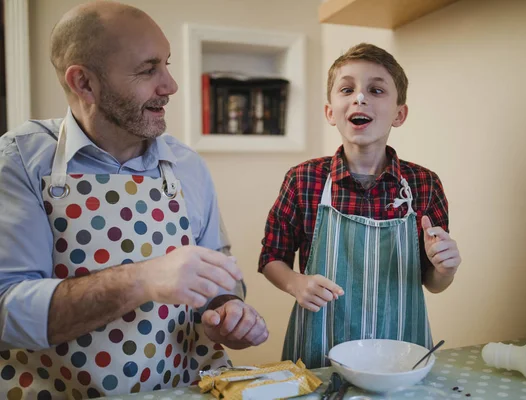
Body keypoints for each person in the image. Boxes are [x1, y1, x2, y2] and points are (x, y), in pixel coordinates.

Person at [0, 1, 268, 397]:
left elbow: (221, 281)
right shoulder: (21, 160)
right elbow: (6, 310)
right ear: (84, 83)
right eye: (148, 70)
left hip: (184, 389)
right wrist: (142, 279)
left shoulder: (187, 166)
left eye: (167, 64)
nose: (170, 85)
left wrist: (228, 312)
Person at [259, 43, 462, 369]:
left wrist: (445, 268)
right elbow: (272, 258)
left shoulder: (424, 184)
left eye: (376, 89)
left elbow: (432, 282)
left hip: (400, 352)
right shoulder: (304, 179)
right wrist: (296, 284)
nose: (360, 97)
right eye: (347, 89)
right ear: (330, 111)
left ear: (399, 113)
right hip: (318, 351)